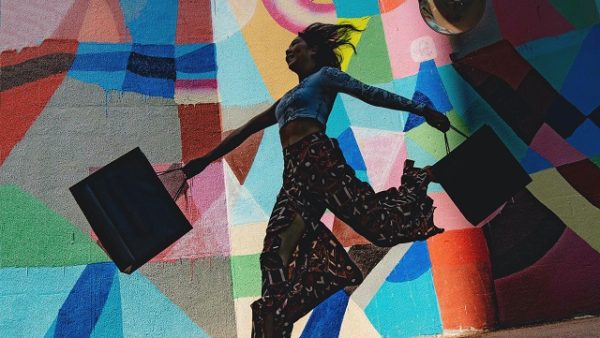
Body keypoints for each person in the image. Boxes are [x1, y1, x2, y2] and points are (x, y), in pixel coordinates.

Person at [182, 22, 450, 338]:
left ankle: (419, 179)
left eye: (294, 46)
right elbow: (244, 131)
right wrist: (204, 160)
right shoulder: (284, 100)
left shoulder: (324, 78)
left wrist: (422, 110)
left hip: (319, 160)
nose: (287, 51)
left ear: (313, 50)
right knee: (273, 255)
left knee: (377, 224)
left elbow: (370, 94)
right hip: (294, 174)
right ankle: (272, 326)